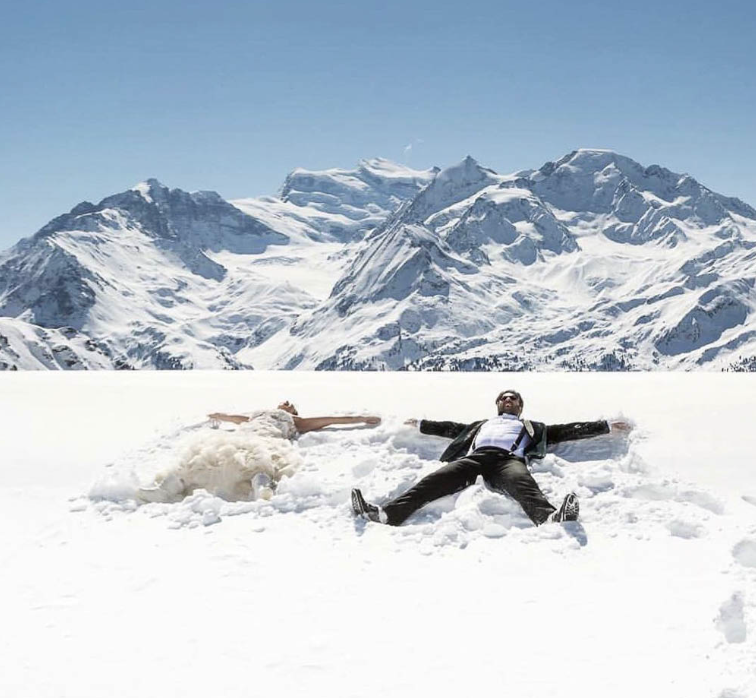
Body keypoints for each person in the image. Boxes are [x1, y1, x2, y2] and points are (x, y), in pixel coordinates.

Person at [351, 390, 631, 526]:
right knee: (432, 482)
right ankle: (385, 514)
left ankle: (549, 518)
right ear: (498, 405)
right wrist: (422, 424)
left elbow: (566, 431)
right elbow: (450, 428)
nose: (508, 401)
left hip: (508, 461)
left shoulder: (532, 427)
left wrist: (605, 426)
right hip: (475, 459)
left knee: (523, 484)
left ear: (520, 407)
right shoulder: (479, 425)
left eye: (513, 399)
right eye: (503, 399)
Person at [138, 401, 381, 503]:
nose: (286, 402)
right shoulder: (256, 413)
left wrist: (359, 418)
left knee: (262, 460)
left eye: (291, 404)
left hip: (265, 439)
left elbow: (330, 420)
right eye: (285, 402)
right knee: (203, 456)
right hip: (244, 434)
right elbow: (234, 418)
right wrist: (217, 415)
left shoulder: (296, 420)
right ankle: (166, 488)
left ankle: (261, 488)